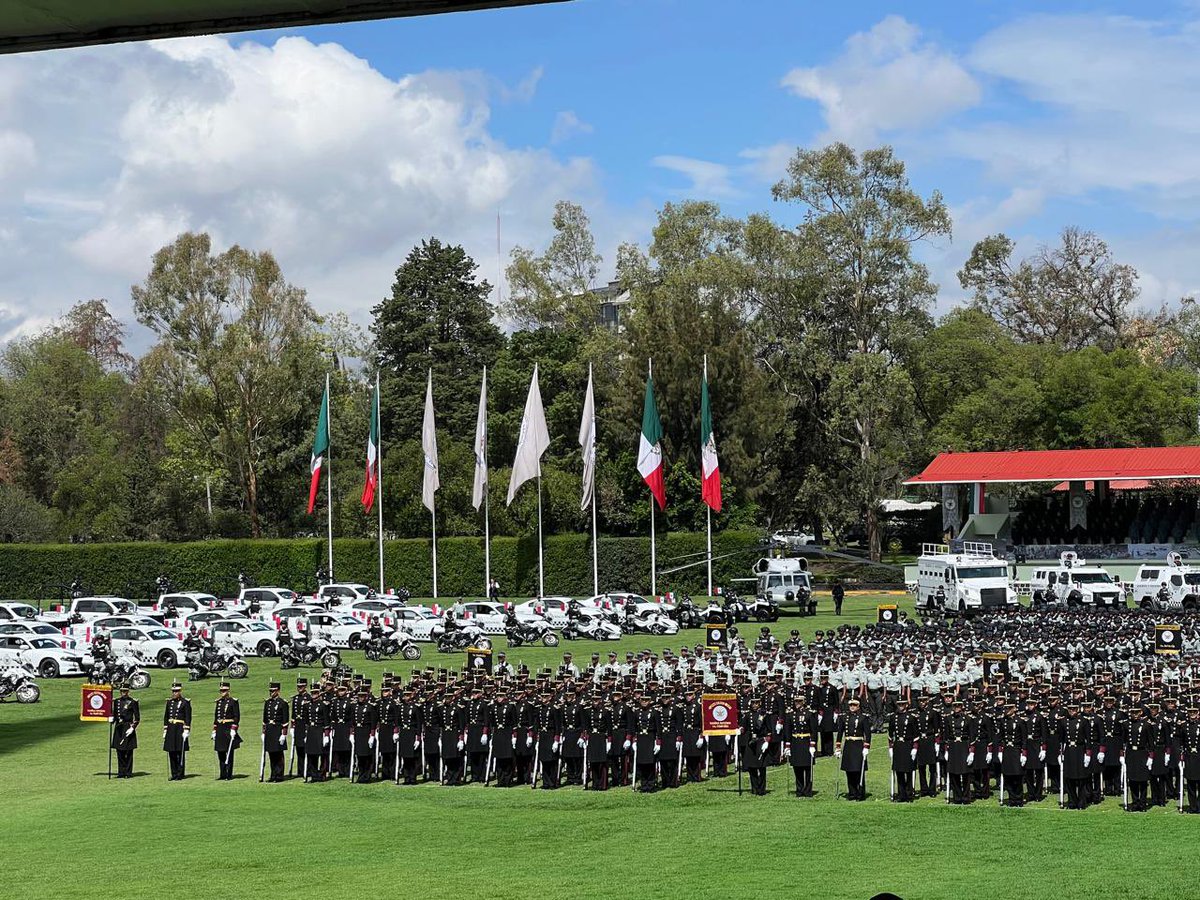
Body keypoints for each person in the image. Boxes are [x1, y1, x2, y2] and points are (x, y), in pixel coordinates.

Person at [837, 696, 870, 800]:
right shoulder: (844, 717)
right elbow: (840, 733)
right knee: (849, 770)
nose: (852, 707)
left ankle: (860, 793)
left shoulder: (863, 718)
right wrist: (838, 747)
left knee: (858, 770)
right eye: (851, 705)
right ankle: (852, 793)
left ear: (858, 706)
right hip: (848, 745)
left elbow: (868, 734)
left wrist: (866, 747)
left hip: (858, 745)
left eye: (854, 705)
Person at [162, 681, 191, 780]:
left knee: (180, 752)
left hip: (180, 729)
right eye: (173, 691)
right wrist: (165, 729)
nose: (174, 693)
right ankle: (174, 773)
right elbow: (166, 717)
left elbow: (188, 717)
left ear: (180, 691)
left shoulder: (185, 702)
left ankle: (180, 773)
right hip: (171, 729)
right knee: (171, 752)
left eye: (176, 691)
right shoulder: (169, 702)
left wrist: (186, 730)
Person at [213, 681, 242, 780]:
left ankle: (228, 774)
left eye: (224, 690)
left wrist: (234, 729)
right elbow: (216, 717)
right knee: (220, 752)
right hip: (220, 729)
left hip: (228, 729)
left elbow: (236, 716)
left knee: (229, 752)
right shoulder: (219, 702)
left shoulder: (233, 702)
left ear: (228, 691)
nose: (222, 692)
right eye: (221, 690)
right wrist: (214, 730)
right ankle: (222, 774)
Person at [111, 681, 140, 778]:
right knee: (119, 751)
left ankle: (128, 772)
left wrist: (133, 727)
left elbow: (137, 718)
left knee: (128, 751)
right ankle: (121, 772)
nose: (123, 693)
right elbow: (115, 715)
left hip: (128, 727)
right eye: (122, 691)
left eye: (125, 691)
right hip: (119, 727)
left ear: (128, 691)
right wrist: (111, 719)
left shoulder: (133, 702)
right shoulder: (117, 702)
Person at [262, 681, 289, 782]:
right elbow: (264, 719)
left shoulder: (283, 703)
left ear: (278, 691)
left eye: (273, 691)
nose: (271, 693)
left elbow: (285, 720)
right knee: (271, 754)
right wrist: (263, 732)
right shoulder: (267, 703)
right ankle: (273, 774)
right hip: (270, 730)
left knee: (278, 754)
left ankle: (279, 775)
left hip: (278, 730)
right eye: (270, 691)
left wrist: (284, 734)